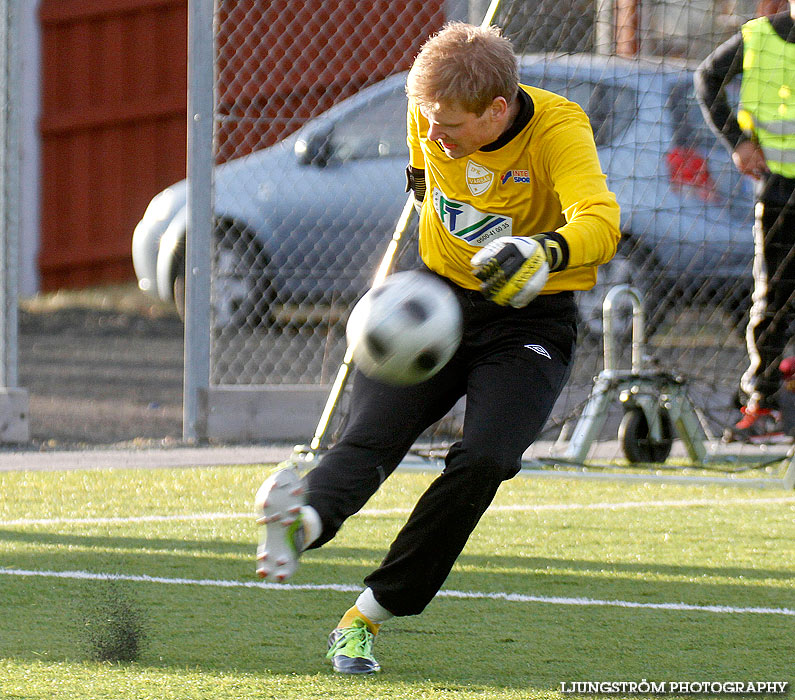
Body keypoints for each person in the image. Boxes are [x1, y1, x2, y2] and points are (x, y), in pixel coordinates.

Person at [254, 22, 620, 674]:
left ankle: (365, 616)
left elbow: (599, 219)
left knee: (484, 459)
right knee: (370, 438)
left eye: (449, 124)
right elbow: (426, 177)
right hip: (430, 303)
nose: (433, 133)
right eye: (426, 119)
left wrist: (543, 250)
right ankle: (298, 526)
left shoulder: (558, 129)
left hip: (528, 323)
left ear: (498, 110)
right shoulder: (430, 115)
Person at [695, 1, 795, 442]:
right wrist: (738, 140)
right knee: (773, 299)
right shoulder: (759, 37)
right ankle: (763, 404)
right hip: (779, 191)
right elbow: (707, 78)